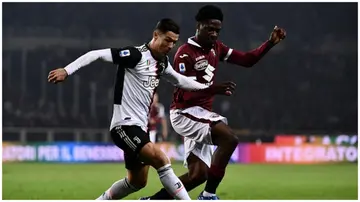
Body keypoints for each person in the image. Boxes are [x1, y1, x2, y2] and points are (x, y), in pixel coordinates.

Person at [48, 18, 236, 200]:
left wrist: (210, 88)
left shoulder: (162, 63)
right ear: (156, 35)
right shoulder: (135, 55)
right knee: (162, 160)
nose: (171, 46)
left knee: (137, 182)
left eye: (174, 42)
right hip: (124, 126)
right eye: (167, 40)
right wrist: (67, 70)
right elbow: (95, 54)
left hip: (140, 128)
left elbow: (180, 80)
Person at [141, 5, 286, 200]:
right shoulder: (185, 53)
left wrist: (270, 43)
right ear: (199, 26)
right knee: (229, 139)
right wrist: (213, 89)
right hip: (185, 113)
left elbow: (247, 60)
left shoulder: (217, 48)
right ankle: (208, 195)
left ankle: (152, 201)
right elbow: (185, 94)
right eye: (210, 29)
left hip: (201, 114)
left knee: (198, 175)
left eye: (217, 30)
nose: (214, 34)